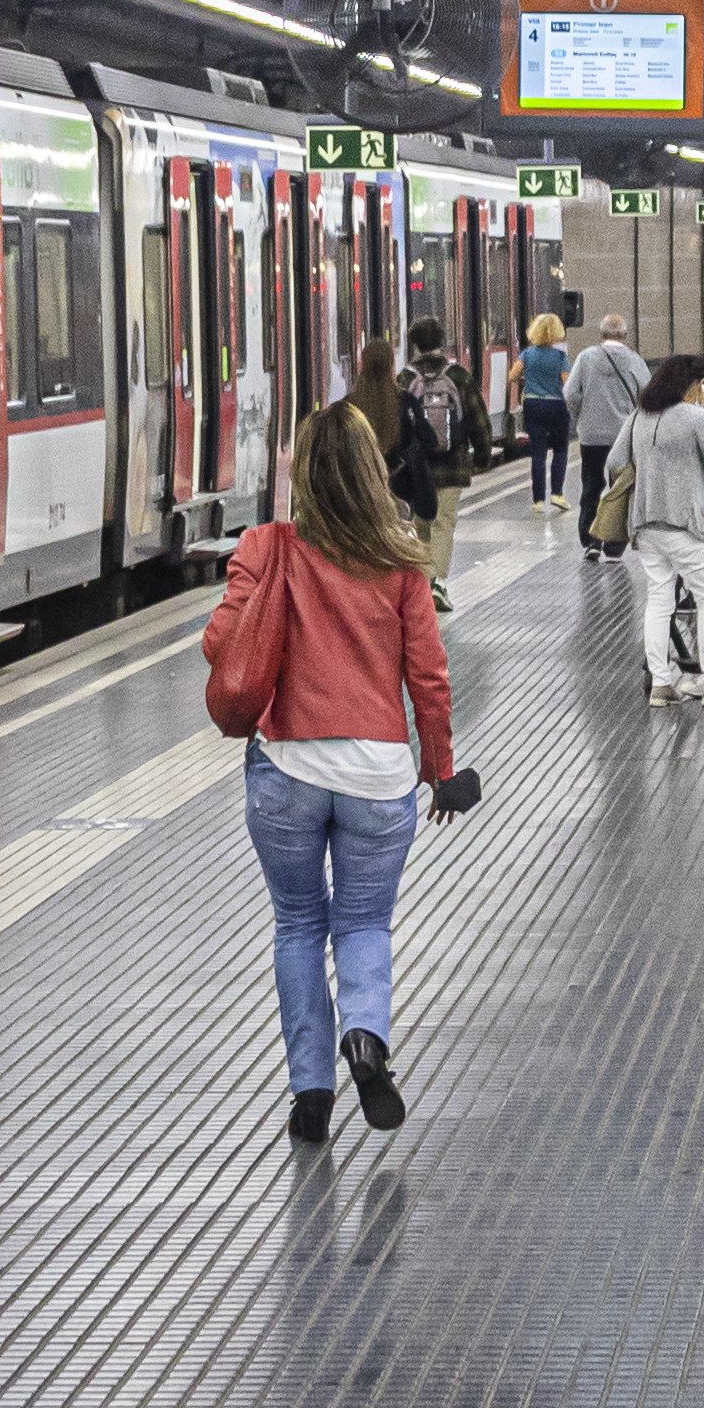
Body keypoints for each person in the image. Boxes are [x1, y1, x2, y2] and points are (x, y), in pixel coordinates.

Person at [209, 404, 482, 1144]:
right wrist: (441, 771)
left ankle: (310, 1095)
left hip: (287, 767)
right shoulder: (400, 558)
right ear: (370, 470)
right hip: (377, 774)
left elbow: (219, 642)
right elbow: (429, 677)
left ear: (300, 471)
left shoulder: (267, 547)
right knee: (364, 923)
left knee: (299, 923)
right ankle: (366, 1036)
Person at [617, 350, 704, 701]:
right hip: (685, 525)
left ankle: (662, 683)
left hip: (646, 526)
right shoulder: (698, 418)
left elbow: (614, 461)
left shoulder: (640, 415)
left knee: (659, 600)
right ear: (697, 385)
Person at [393, 318, 471, 602]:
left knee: (420, 522)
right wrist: (483, 454)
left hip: (416, 466)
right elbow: (476, 417)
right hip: (453, 465)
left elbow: (397, 423)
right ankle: (438, 581)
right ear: (442, 340)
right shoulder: (459, 376)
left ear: (414, 344)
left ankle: (424, 580)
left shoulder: (404, 378)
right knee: (444, 521)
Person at [565, 317, 649, 557]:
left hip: (591, 436)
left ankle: (591, 540)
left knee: (591, 485)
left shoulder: (586, 357)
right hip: (623, 437)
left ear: (601, 334)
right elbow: (647, 394)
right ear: (624, 335)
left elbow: (570, 392)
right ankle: (614, 543)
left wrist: (582, 416)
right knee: (619, 488)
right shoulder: (635, 361)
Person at [515, 311, 574, 506]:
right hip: (556, 404)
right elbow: (567, 383)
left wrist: (528, 381)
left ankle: (538, 500)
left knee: (538, 453)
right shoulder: (560, 357)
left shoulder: (526, 354)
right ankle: (557, 494)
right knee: (560, 449)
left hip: (533, 404)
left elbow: (511, 376)